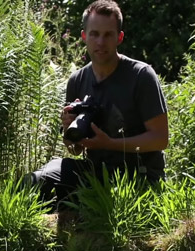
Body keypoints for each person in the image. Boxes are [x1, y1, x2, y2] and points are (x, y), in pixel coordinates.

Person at [28, 0, 168, 209]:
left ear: (119, 37)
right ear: (84, 36)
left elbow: (160, 139)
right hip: (95, 173)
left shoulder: (141, 76)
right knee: (36, 182)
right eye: (94, 34)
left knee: (78, 206)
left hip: (139, 178)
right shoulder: (77, 80)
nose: (100, 42)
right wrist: (68, 129)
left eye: (108, 35)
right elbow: (74, 150)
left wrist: (110, 143)